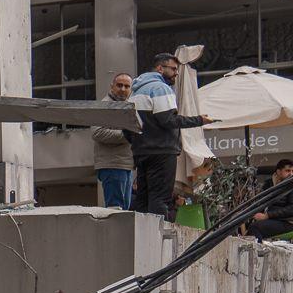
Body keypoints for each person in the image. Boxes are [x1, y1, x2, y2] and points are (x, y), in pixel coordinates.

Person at [128, 52, 213, 220]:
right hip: (161, 151)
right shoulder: (160, 88)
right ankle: (159, 242)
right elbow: (168, 119)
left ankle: (143, 239)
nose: (176, 73)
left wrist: (137, 143)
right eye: (173, 69)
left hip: (141, 151)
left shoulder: (135, 91)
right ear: (160, 68)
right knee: (160, 198)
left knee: (143, 199)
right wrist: (199, 120)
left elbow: (127, 126)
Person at [90, 71, 136, 210]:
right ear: (112, 86)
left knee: (123, 210)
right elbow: (97, 132)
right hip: (112, 164)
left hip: (125, 164)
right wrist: (127, 135)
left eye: (126, 86)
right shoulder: (104, 106)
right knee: (115, 209)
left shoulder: (127, 106)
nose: (123, 89)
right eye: (119, 85)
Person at [244, 158, 293, 240]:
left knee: (255, 227)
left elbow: (291, 209)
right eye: (287, 171)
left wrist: (267, 215)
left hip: (288, 222)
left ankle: (259, 252)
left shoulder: (291, 186)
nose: (291, 174)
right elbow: (261, 203)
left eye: (292, 171)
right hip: (274, 219)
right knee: (248, 229)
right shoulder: (269, 184)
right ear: (278, 172)